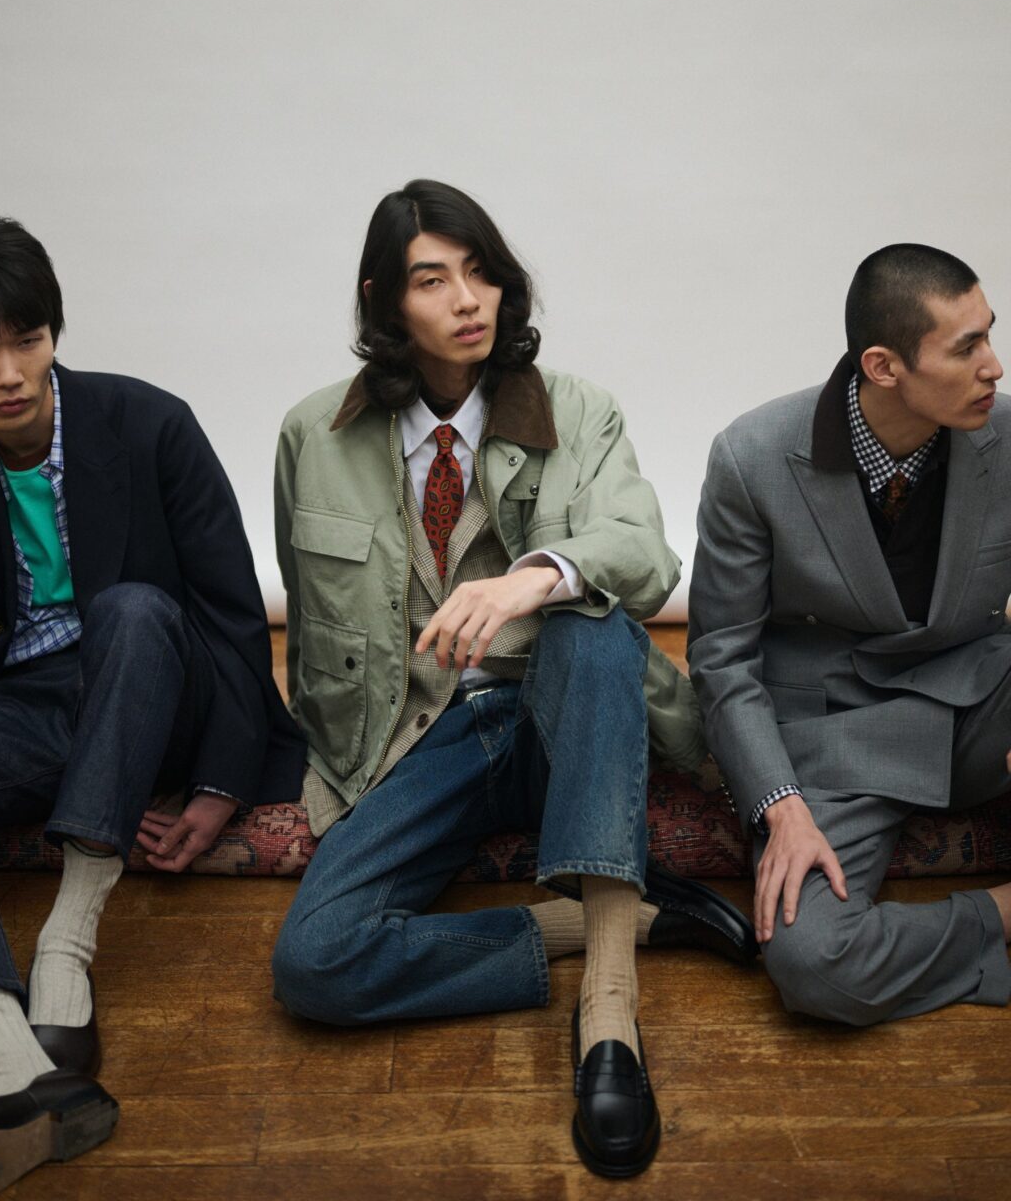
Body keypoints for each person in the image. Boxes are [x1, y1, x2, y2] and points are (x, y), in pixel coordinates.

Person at [271, 179, 756, 1180]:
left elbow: (646, 556)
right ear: (381, 301)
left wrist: (536, 575)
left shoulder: (580, 411)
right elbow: (313, 625)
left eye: (482, 272)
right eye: (433, 280)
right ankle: (611, 919)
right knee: (314, 965)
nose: (467, 300)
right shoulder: (311, 435)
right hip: (416, 741)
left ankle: (609, 1017)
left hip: (564, 716)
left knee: (592, 630)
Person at [0, 217, 306, 1191]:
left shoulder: (150, 423)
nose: (6, 373)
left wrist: (220, 781)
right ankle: (0, 1036)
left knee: (130, 609)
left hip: (152, 690)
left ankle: (67, 942)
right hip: (22, 708)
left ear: (55, 333)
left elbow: (232, 613)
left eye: (26, 340)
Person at [689, 242, 1011, 1026]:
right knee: (813, 960)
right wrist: (782, 807)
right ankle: (1001, 917)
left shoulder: (1007, 436)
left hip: (978, 700)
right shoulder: (751, 457)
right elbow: (722, 661)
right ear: (883, 365)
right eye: (966, 347)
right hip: (836, 733)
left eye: (990, 335)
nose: (994, 366)